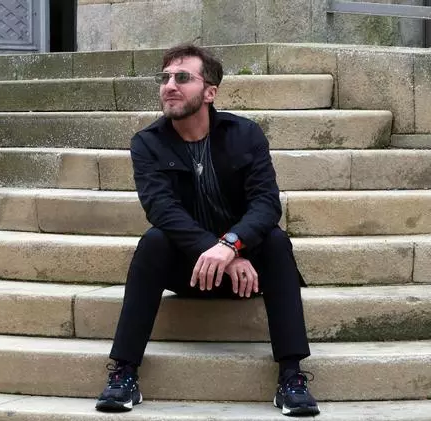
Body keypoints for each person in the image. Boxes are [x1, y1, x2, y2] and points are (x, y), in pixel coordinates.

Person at [94, 44, 320, 416]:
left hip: (247, 275)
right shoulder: (148, 143)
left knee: (277, 241)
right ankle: (124, 373)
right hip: (190, 272)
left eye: (182, 78)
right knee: (153, 242)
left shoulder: (245, 134)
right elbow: (161, 210)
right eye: (165, 78)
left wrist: (232, 245)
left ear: (210, 92)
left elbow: (266, 204)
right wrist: (217, 251)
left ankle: (292, 376)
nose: (169, 86)